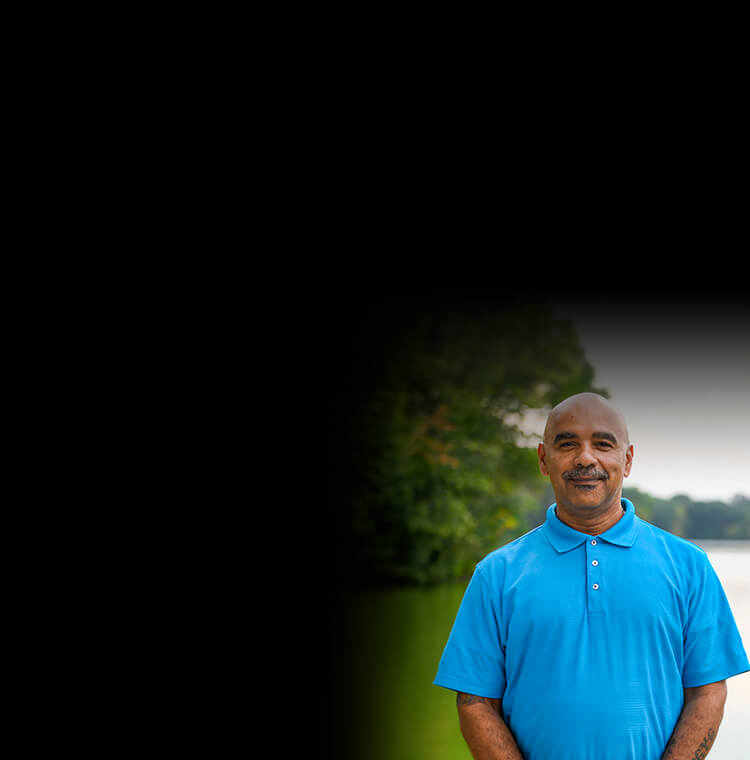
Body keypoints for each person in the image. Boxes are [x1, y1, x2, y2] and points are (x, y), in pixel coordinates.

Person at [433, 392, 749, 759]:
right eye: (567, 444)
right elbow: (475, 701)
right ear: (543, 460)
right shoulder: (496, 574)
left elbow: (708, 690)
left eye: (603, 444)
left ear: (627, 460)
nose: (585, 458)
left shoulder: (690, 565)